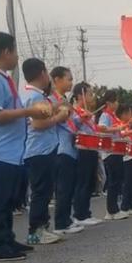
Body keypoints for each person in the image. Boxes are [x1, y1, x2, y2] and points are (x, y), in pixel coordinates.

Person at [0, 32, 49, 261]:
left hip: (11, 153)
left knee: (9, 199)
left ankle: (7, 238)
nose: (16, 55)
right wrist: (28, 111)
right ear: (5, 52)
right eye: (14, 50)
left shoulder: (2, 78)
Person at [21, 58, 69, 245]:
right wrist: (59, 117)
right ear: (42, 73)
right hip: (39, 150)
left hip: (41, 149)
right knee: (41, 192)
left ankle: (41, 228)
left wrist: (58, 108)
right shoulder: (34, 97)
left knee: (43, 190)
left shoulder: (31, 94)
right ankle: (37, 230)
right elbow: (38, 124)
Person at [50, 67, 85, 235]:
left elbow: (69, 124)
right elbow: (57, 122)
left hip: (70, 148)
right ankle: (61, 223)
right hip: (61, 148)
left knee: (69, 186)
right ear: (57, 79)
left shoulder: (64, 99)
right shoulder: (52, 99)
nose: (71, 82)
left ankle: (66, 220)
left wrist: (79, 120)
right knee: (63, 187)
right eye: (68, 79)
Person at [70, 82, 104, 226]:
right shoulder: (74, 111)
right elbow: (72, 126)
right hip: (82, 149)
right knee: (82, 182)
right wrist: (80, 119)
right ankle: (79, 214)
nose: (92, 97)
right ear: (80, 96)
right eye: (89, 94)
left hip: (92, 149)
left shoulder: (91, 114)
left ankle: (86, 212)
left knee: (90, 182)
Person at [97, 90, 130, 221]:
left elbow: (118, 133)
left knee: (116, 181)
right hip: (110, 152)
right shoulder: (105, 115)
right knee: (113, 182)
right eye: (115, 101)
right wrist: (118, 129)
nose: (117, 103)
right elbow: (102, 128)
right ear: (108, 103)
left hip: (116, 151)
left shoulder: (113, 116)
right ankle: (112, 210)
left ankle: (113, 209)